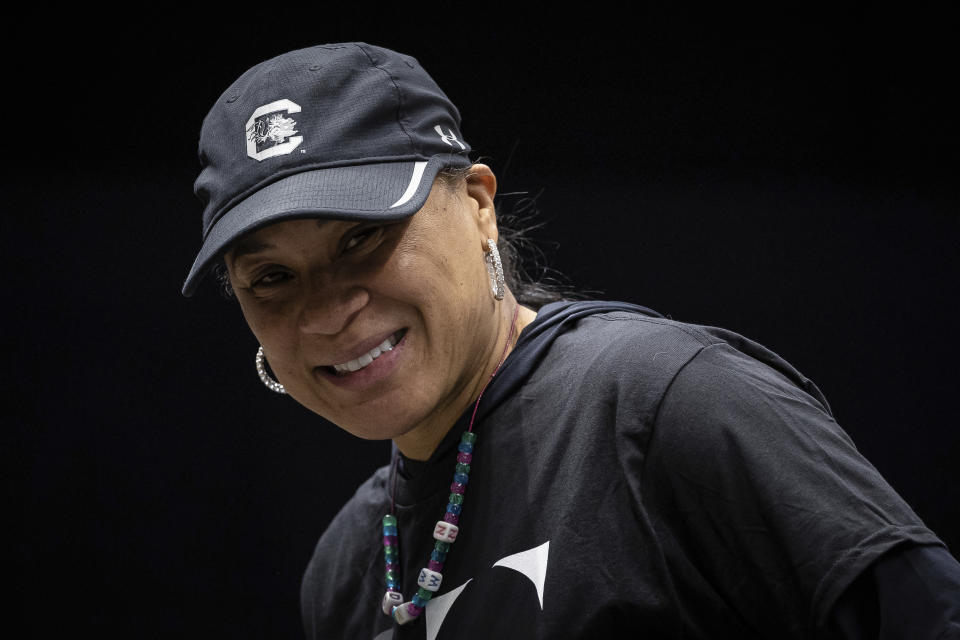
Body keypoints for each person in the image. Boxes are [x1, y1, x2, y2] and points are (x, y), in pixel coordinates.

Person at [182, 43, 960, 639]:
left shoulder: (663, 404)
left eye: (362, 237)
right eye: (273, 279)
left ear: (479, 205)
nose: (326, 312)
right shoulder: (348, 568)